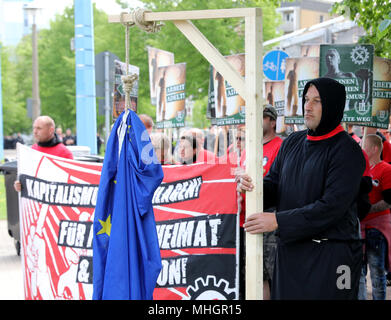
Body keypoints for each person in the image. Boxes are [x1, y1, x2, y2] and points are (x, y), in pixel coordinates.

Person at [237, 77, 366, 299]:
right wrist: (251, 186)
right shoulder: (292, 142)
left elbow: (331, 207)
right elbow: (275, 185)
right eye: (306, 99)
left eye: (317, 101)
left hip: (333, 257)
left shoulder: (347, 151)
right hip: (291, 253)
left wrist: (278, 220)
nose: (307, 106)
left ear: (333, 105)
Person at [236, 105, 283, 300]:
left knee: (273, 276)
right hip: (247, 219)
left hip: (269, 218)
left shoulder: (281, 146)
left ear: (272, 122)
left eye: (263, 117)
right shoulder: (249, 148)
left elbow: (280, 182)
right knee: (255, 276)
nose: (257, 121)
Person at [358, 134, 391, 300]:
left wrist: (366, 210)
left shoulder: (386, 169)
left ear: (375, 149)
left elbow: (389, 201)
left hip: (377, 228)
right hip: (361, 228)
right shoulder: (363, 169)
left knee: (377, 274)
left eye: (365, 146)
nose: (363, 149)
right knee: (360, 274)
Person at [14, 116, 73, 192]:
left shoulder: (64, 153)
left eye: (39, 128)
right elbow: (25, 173)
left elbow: (71, 184)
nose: (35, 131)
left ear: (51, 130)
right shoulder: (32, 149)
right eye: (34, 128)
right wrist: (19, 184)